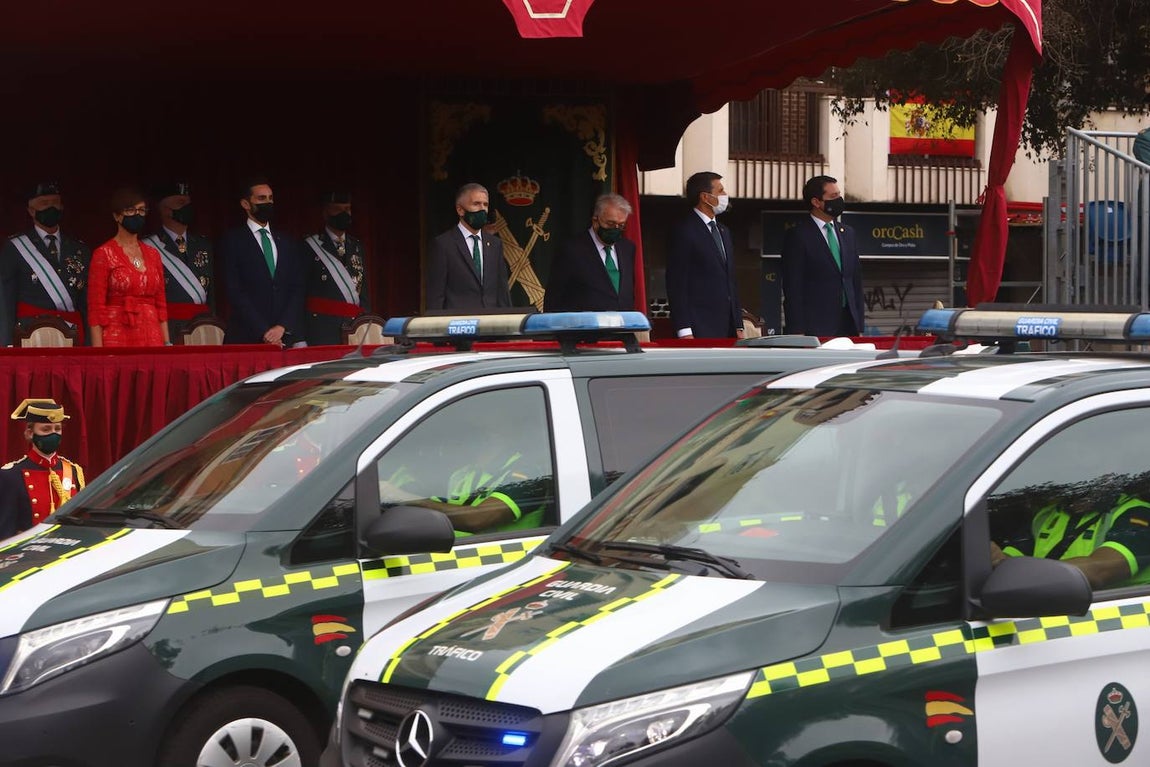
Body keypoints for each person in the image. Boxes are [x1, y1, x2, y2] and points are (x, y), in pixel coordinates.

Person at [991, 494, 1150, 589]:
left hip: (1114, 621)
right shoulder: (1046, 516)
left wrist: (1019, 572)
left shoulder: (1139, 513)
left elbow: (1099, 571)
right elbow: (1006, 563)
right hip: (1048, 614)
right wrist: (994, 558)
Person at [0, 182, 90, 346]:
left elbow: (86, 304)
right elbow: (5, 300)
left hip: (73, 336)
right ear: (31, 211)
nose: (51, 208)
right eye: (44, 204)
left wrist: (90, 343)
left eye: (55, 203)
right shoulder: (15, 247)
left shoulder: (80, 249)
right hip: (29, 336)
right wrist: (6, 344)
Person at [219, 177, 307, 345]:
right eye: (261, 198)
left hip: (285, 336)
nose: (268, 202)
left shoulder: (286, 241)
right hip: (247, 336)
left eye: (270, 198)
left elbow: (297, 287)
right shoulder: (232, 241)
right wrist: (264, 331)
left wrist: (282, 326)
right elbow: (234, 290)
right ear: (246, 204)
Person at [781, 175, 865, 337]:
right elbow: (793, 287)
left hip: (848, 324)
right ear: (816, 202)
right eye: (833, 197)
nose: (839, 200)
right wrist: (797, 330)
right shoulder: (798, 236)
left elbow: (855, 281)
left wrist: (859, 325)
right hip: (815, 326)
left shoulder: (848, 233)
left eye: (839, 195)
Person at [88, 187, 170, 347]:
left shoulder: (153, 254)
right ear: (117, 216)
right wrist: (99, 352)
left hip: (152, 336)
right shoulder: (103, 253)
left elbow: (161, 305)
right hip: (117, 336)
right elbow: (96, 309)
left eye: (141, 210)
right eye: (131, 210)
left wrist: (167, 343)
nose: (137, 215)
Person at [665, 171, 742, 339]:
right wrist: (684, 329)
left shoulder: (724, 231)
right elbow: (677, 283)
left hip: (727, 327)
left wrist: (738, 324)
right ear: (705, 197)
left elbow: (731, 281)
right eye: (720, 191)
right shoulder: (684, 230)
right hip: (699, 326)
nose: (725, 195)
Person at [143, 182, 215, 340]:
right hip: (167, 328)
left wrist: (213, 322)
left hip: (202, 326)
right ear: (165, 209)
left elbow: (212, 293)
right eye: (180, 203)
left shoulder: (203, 245)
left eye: (188, 203)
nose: (186, 207)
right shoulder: (148, 247)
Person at [544, 193, 636, 312]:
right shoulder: (571, 250)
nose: (616, 229)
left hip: (622, 327)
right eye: (610, 224)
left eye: (621, 225)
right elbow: (554, 300)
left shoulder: (627, 248)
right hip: (586, 328)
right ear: (595, 221)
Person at [426, 182, 511, 312]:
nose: (482, 209)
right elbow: (436, 297)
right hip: (458, 326)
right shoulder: (443, 244)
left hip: (491, 325)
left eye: (485, 205)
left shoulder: (495, 244)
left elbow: (502, 293)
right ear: (460, 210)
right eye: (476, 204)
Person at [3, 399, 85, 531]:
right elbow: (5, 530)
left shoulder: (73, 470)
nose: (53, 434)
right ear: (30, 433)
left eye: (57, 429)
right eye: (46, 429)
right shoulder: (11, 475)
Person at [303, 191, 371, 345]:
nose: (343, 214)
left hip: (354, 329)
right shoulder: (309, 247)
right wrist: (299, 338)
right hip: (322, 330)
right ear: (326, 213)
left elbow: (364, 292)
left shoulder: (357, 246)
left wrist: (365, 323)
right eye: (337, 209)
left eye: (347, 209)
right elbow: (300, 294)